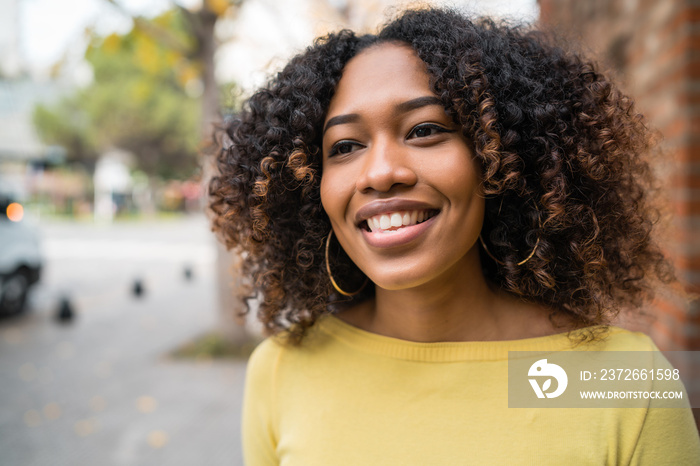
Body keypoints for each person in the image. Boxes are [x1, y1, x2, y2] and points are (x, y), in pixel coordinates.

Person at [209, 7, 700, 465]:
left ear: (499, 158)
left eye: (424, 130)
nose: (380, 173)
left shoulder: (621, 380)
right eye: (345, 146)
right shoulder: (280, 370)